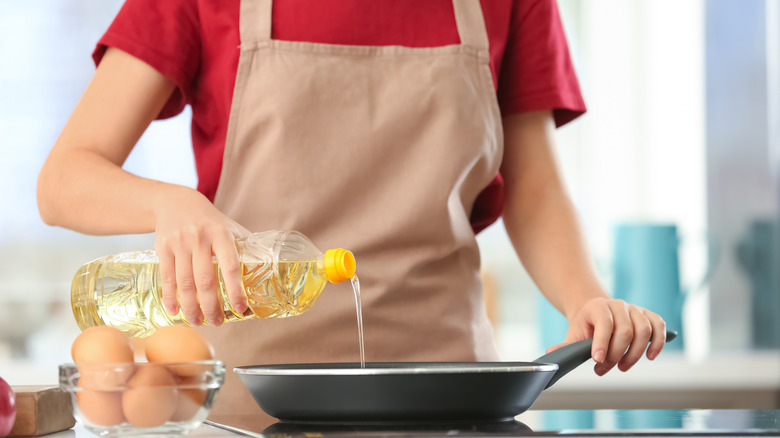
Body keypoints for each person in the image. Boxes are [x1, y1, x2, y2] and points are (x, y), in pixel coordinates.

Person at [37, 0, 667, 426]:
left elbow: (534, 188)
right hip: (255, 412)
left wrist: (583, 298)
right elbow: (64, 177)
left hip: (448, 407)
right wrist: (170, 203)